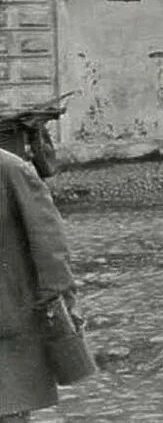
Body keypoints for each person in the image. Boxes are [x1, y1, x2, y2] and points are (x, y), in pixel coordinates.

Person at [1, 147, 83, 422]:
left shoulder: (11, 170)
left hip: (8, 322)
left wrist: (62, 301)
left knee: (9, 410)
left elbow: (49, 246)